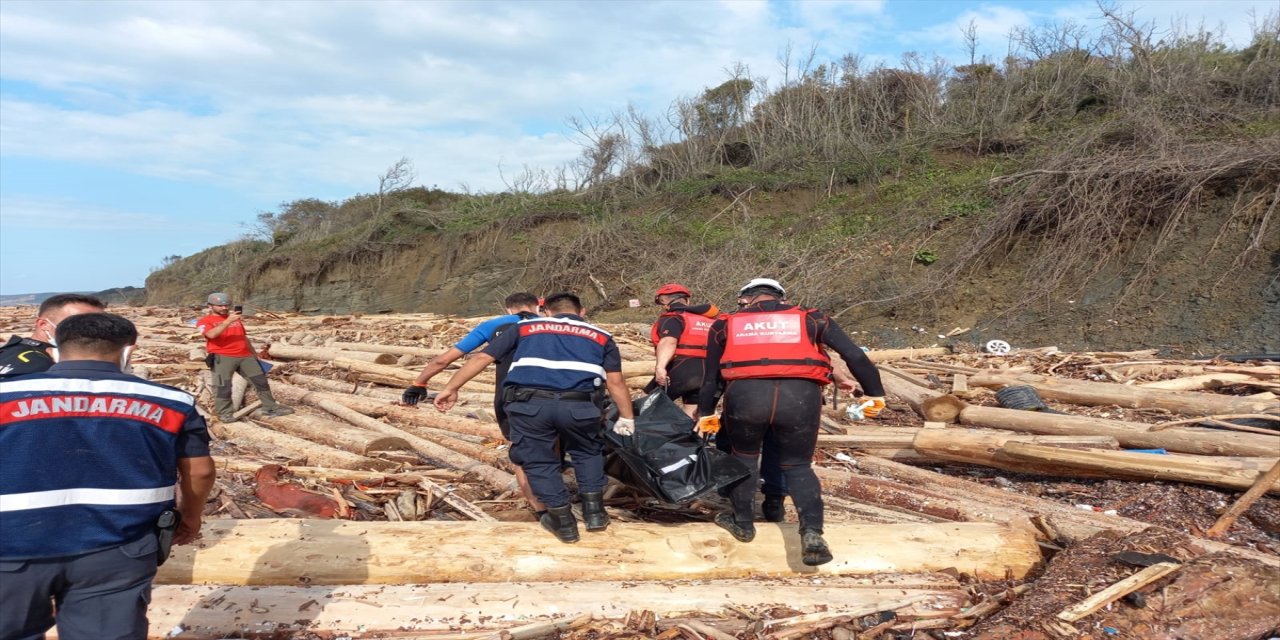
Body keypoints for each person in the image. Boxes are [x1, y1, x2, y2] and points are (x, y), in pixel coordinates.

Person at [0, 312, 215, 640]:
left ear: (56, 348)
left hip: (11, 548)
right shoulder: (172, 402)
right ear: (129, 350)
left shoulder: (7, 396)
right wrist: (191, 517)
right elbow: (199, 471)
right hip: (119, 547)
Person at [697, 278, 886, 566]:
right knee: (797, 465)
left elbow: (711, 378)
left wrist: (706, 412)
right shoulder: (811, 318)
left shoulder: (725, 323)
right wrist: (875, 394)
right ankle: (811, 533)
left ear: (747, 298)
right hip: (800, 398)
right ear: (782, 298)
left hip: (746, 397)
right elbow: (855, 355)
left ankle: (743, 523)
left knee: (745, 457)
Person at [433, 292, 636, 544]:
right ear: (582, 311)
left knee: (539, 461)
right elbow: (615, 381)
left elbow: (483, 357)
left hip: (531, 405)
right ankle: (595, 514)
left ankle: (562, 522)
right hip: (580, 405)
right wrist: (627, 418)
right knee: (587, 452)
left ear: (546, 311)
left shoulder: (526, 327)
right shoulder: (602, 336)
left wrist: (451, 388)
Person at [401, 292, 547, 514]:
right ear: (538, 306)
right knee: (551, 448)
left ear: (509, 309)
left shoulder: (493, 325)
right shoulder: (555, 325)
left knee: (520, 454)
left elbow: (445, 359)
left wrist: (419, 382)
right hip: (558, 396)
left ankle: (541, 511)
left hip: (512, 397)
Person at [196, 292, 293, 422]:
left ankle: (270, 407)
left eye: (226, 305)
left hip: (245, 356)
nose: (224, 308)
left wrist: (254, 354)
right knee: (223, 386)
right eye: (220, 306)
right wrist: (227, 321)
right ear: (210, 306)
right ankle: (224, 413)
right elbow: (211, 335)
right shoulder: (204, 321)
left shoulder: (235, 319)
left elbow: (243, 337)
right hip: (223, 357)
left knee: (260, 382)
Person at [646, 283, 720, 418]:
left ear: (664, 300)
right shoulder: (709, 320)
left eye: (662, 302)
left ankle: (643, 436)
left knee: (647, 405)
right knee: (694, 413)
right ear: (687, 300)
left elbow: (669, 341)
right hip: (709, 371)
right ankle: (692, 438)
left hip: (682, 367)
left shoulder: (673, 317)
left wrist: (660, 367)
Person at [0, 294, 105, 380]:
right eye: (78, 323)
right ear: (43, 324)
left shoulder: (10, 350)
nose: (93, 330)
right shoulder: (43, 364)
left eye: (101, 324)